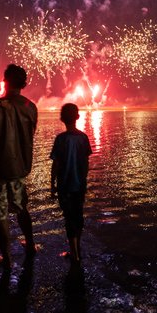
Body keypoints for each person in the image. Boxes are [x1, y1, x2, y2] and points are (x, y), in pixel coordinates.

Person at [0, 64, 38, 268]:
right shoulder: (31, 107)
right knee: (22, 207)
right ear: (23, 83)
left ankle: (6, 257)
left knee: (0, 214)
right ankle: (30, 245)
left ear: (4, 82)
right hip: (20, 167)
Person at [50, 103, 92, 264]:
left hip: (65, 186)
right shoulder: (83, 138)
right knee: (78, 215)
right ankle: (77, 248)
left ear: (62, 119)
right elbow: (86, 163)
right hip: (79, 185)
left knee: (69, 217)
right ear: (78, 117)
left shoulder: (61, 139)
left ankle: (74, 253)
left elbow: (56, 164)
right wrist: (84, 180)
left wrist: (52, 184)